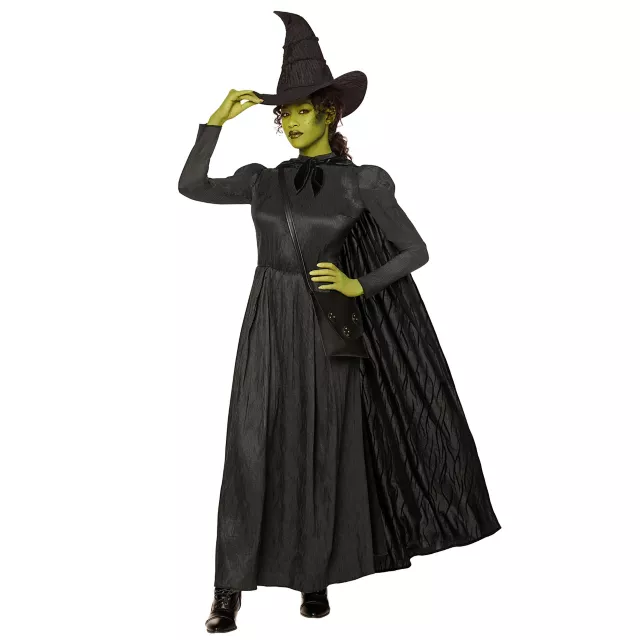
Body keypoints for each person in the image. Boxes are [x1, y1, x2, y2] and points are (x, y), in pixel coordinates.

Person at [178, 11, 501, 634]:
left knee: (324, 447)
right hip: (268, 321)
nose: (292, 123)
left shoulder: (363, 183)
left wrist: (359, 284)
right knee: (250, 448)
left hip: (330, 327)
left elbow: (415, 250)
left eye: (302, 111)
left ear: (329, 114)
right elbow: (191, 185)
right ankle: (227, 588)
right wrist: (213, 123)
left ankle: (314, 576)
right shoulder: (262, 181)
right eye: (284, 114)